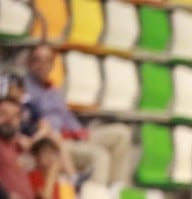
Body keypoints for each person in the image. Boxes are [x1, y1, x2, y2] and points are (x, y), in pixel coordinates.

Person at [24, 44, 133, 185]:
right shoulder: (25, 89)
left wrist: (81, 132)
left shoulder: (54, 89)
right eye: (38, 60)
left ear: (52, 64)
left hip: (76, 134)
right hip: (58, 141)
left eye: (47, 61)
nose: (42, 65)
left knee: (121, 133)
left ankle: (115, 189)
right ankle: (95, 198)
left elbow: (67, 117)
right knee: (100, 156)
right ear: (29, 62)